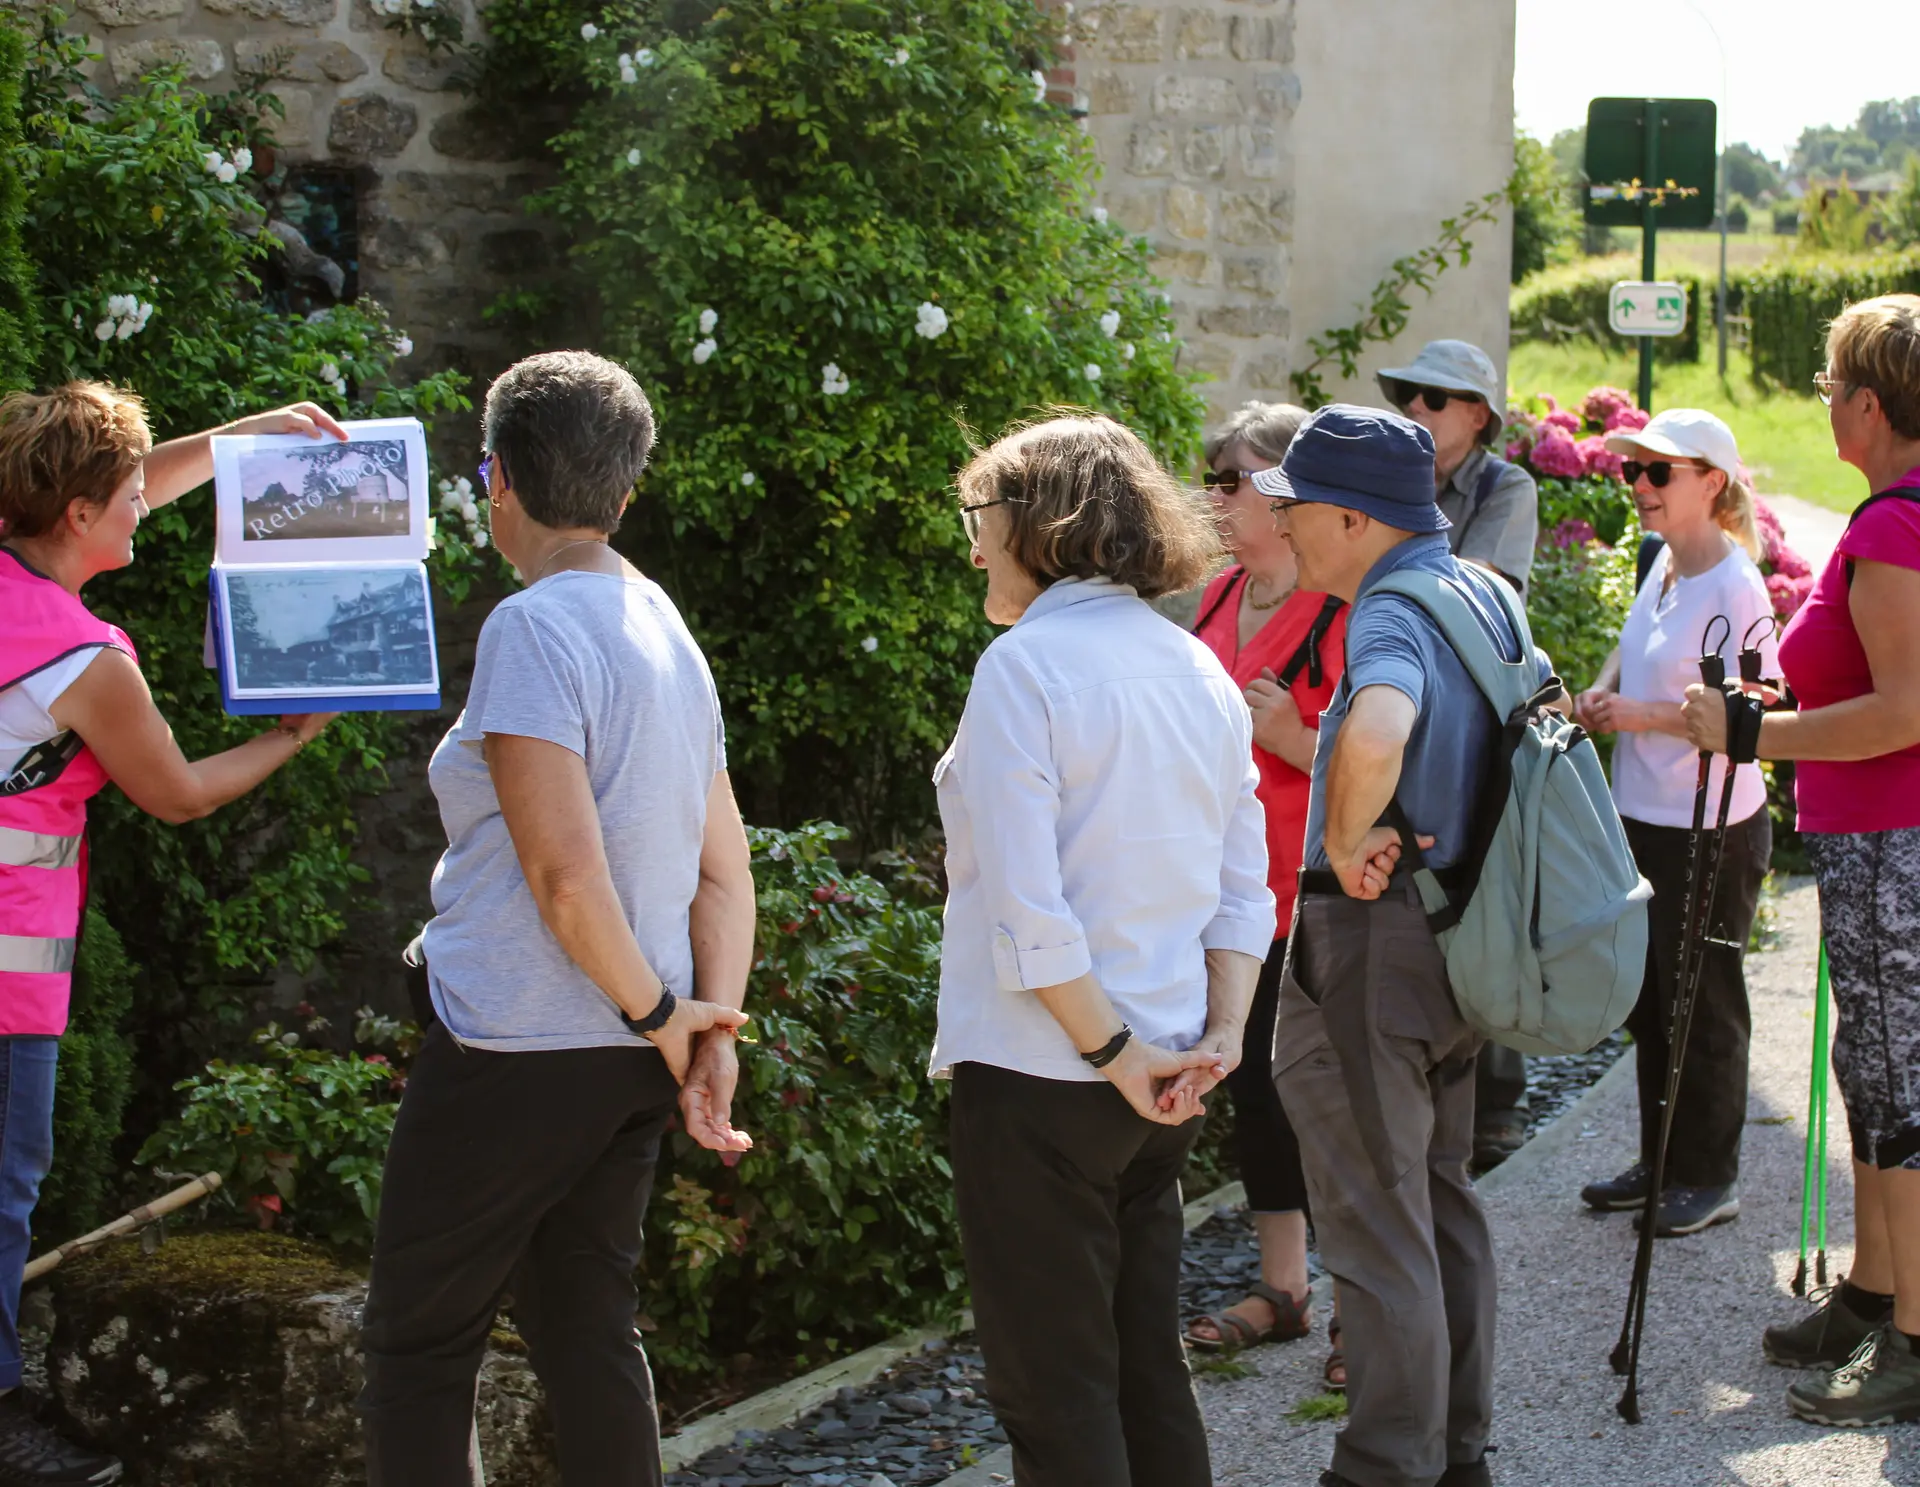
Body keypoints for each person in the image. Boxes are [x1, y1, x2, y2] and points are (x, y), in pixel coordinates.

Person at [357, 351, 756, 1486]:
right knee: (588, 1326)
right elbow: (725, 873)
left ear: (498, 478)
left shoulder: (534, 628)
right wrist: (703, 1028)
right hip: (631, 1051)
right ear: (626, 487)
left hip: (515, 1046)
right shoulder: (663, 623)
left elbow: (565, 878)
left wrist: (670, 1018)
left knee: (419, 1342)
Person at [0, 382, 347, 1486]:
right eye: (127, 498)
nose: (145, 506)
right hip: (6, 973)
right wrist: (294, 736)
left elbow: (130, 479)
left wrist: (245, 440)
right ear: (77, 516)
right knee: (4, 1186)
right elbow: (181, 792)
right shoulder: (82, 661)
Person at [933, 413, 1273, 1487]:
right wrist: (1219, 1035)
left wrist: (1118, 1054)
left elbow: (1030, 915)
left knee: (1057, 1395)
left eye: (978, 517)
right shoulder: (1199, 667)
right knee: (1143, 1373)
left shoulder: (1023, 668)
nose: (974, 546)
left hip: (1049, 1073)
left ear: (1035, 520)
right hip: (1164, 1074)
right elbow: (1243, 891)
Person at [1256, 404, 1556, 1487]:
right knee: (1437, 1201)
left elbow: (1381, 723)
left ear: (1353, 517)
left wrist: (1343, 839)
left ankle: (1385, 1464)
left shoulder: (1388, 610)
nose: (1281, 524)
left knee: (1379, 1223)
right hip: (1462, 942)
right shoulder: (1479, 588)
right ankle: (1455, 1453)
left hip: (1378, 951)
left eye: (1294, 505)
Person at [1681, 294, 1920, 1427]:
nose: (1826, 405)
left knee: (1901, 1087)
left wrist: (1750, 731)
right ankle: (1874, 1289)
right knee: (1872, 1072)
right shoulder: (1895, 518)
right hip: (1878, 843)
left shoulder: (1892, 529)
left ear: (1869, 404)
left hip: (1892, 845)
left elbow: (1902, 711)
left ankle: (1913, 1338)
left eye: (1830, 388)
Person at [1572, 409, 1775, 1237]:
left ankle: (1708, 1176)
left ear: (1712, 482)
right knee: (1653, 998)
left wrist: (1638, 716)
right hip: (1643, 814)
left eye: (1660, 472)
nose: (1641, 486)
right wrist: (1601, 689)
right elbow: (1636, 647)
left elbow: (1751, 712)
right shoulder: (1660, 560)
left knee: (1706, 1001)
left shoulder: (1736, 585)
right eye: (1634, 471)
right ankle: (1661, 1161)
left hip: (1711, 826)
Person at [1185, 402, 1351, 1392]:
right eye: (1209, 476)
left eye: (1230, 479)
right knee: (1255, 1091)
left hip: (1318, 895)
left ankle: (1360, 1309)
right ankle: (1285, 1287)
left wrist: (1294, 737)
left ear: (1286, 493)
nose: (1212, 495)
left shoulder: (1343, 610)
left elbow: (1390, 761)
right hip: (1228, 898)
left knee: (1331, 1101)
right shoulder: (1213, 599)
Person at [1377, 338, 1540, 1168]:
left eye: (1434, 398)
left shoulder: (1506, 487)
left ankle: (1495, 1094)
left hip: (1476, 717)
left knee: (1484, 885)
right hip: (1405, 701)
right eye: (1408, 394)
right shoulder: (1400, 484)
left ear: (1478, 415)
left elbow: (1476, 589)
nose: (1415, 408)